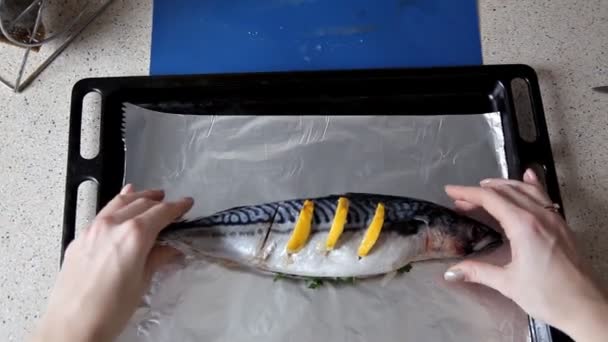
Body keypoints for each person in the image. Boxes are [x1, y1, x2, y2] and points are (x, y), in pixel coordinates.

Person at [29, 170, 607, 342]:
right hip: (275, 242)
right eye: (466, 236)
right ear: (434, 230)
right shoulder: (413, 228)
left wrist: (69, 328)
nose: (469, 241)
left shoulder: (413, 236)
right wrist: (588, 316)